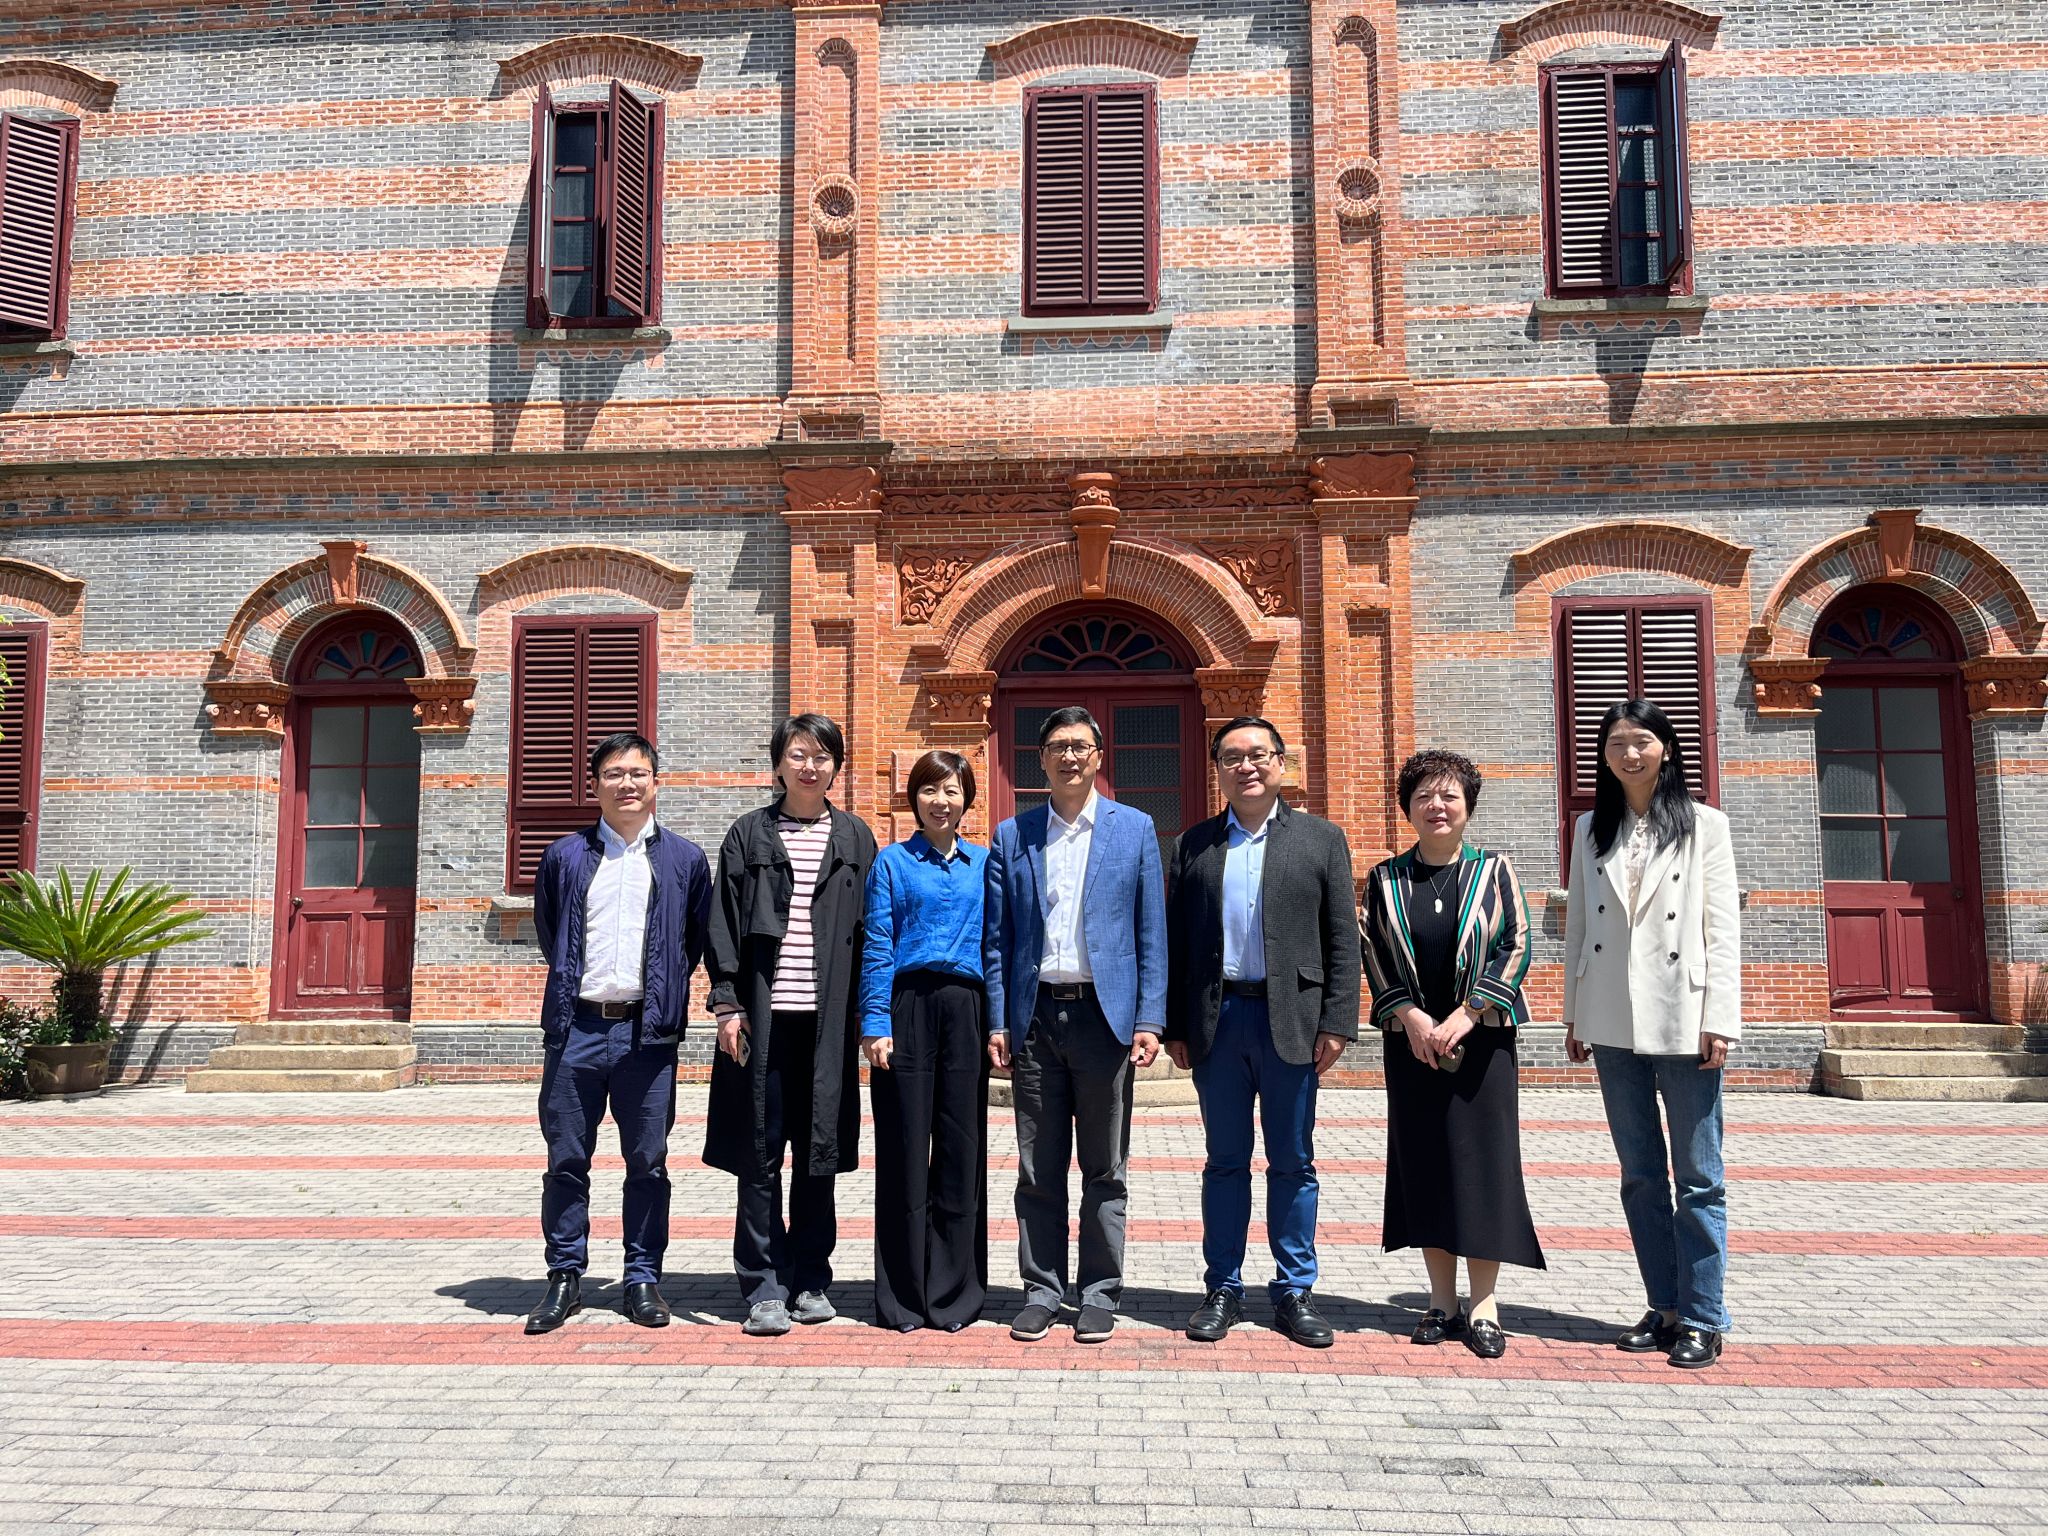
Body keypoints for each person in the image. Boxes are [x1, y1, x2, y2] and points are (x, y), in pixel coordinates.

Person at [1164, 717, 1361, 1349]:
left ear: (1281, 764)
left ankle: (1294, 1289)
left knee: (1293, 1161)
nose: (1246, 767)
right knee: (1225, 1161)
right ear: (1217, 770)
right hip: (1218, 1022)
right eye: (1232, 758)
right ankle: (1222, 1286)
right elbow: (1175, 942)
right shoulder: (1193, 845)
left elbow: (1342, 938)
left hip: (1293, 1023)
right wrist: (1174, 1025)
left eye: (1258, 755)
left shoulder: (1321, 840)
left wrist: (1337, 1022)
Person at [1564, 698, 1740, 1370]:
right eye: (1616, 744)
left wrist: (1721, 1017)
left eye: (1641, 741)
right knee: (1640, 1174)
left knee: (1698, 1177)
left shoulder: (1704, 825)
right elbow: (1580, 925)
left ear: (1666, 748)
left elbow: (1722, 928)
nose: (1629, 754)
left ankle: (1703, 1315)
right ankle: (1663, 1305)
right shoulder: (1590, 828)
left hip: (1684, 1015)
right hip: (1611, 1016)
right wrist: (1575, 1012)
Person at [984, 705, 1168, 1344]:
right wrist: (999, 1020)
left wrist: (1150, 1017)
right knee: (1037, 1167)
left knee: (1105, 1167)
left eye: (1080, 746)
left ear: (1098, 757)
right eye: (1057, 746)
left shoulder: (1134, 828)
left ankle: (1098, 1291)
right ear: (1041, 759)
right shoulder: (1013, 834)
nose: (1069, 756)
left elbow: (1151, 932)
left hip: (1104, 1018)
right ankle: (1041, 1289)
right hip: (1036, 1018)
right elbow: (998, 939)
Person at [525, 732, 713, 1335]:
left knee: (648, 1161)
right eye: (613, 773)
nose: (626, 784)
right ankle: (564, 1276)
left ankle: (642, 1278)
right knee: (565, 1160)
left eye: (637, 773)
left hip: (647, 1036)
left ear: (656, 782)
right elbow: (551, 931)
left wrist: (662, 996)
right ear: (594, 784)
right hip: (576, 1029)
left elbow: (692, 942)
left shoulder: (684, 860)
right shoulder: (565, 856)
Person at [1360, 749, 1543, 1359]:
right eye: (1423, 797)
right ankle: (1441, 1302)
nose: (1436, 806)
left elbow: (1516, 943)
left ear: (1468, 806)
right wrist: (1411, 1017)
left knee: (1483, 1169)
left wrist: (1468, 1012)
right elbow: (1374, 952)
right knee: (1426, 1165)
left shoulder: (1495, 871)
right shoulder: (1385, 878)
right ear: (1407, 808)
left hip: (1482, 1043)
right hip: (1412, 1045)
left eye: (1448, 796)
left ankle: (1484, 1305)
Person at [705, 713, 876, 1337]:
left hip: (828, 1027)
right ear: (779, 763)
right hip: (762, 1024)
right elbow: (722, 925)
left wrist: (870, 1016)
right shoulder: (748, 834)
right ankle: (763, 1286)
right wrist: (728, 1005)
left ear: (836, 766)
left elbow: (873, 933)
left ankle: (810, 1279)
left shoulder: (855, 838)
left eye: (822, 755)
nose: (810, 766)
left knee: (817, 1155)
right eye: (798, 754)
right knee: (759, 1155)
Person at [860, 750, 990, 1332]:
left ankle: (956, 1294)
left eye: (952, 790)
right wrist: (875, 1022)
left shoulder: (984, 864)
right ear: (914, 798)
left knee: (962, 1150)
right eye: (930, 789)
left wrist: (999, 1025)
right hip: (906, 1006)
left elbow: (996, 944)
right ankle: (903, 1297)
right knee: (904, 1150)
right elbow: (878, 942)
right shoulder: (892, 863)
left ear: (967, 800)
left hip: (966, 1007)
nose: (942, 801)